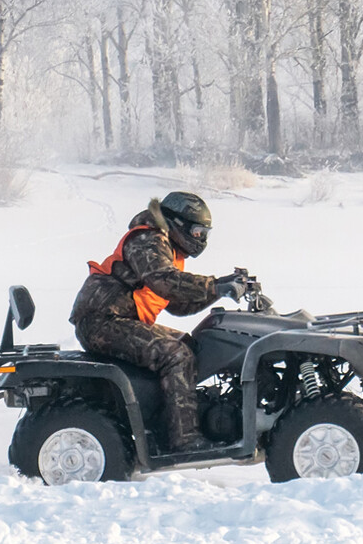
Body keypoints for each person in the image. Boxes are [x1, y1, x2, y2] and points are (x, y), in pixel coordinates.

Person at [68, 191, 248, 453]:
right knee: (175, 355)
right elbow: (164, 281)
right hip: (102, 321)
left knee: (192, 344)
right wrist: (215, 286)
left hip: (120, 320)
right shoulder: (147, 239)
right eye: (198, 232)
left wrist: (221, 290)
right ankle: (185, 440)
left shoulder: (169, 248)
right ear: (177, 224)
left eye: (205, 234)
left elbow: (177, 303)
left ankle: (175, 418)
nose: (201, 240)